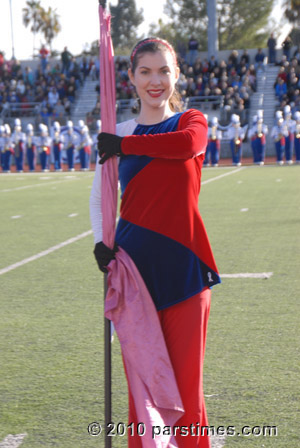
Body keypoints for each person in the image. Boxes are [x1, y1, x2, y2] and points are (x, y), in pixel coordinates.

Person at [90, 37, 221, 448]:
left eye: (164, 70)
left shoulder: (191, 121)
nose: (155, 80)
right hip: (134, 278)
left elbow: (188, 147)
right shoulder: (117, 132)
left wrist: (125, 145)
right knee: (142, 397)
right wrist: (100, 242)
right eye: (145, 71)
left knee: (186, 399)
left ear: (176, 74)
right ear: (130, 78)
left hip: (184, 276)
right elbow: (100, 196)